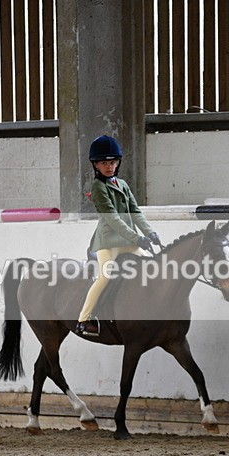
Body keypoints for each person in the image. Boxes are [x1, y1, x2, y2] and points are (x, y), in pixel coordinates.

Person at [76, 135, 162, 337]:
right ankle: (84, 319)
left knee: (151, 268)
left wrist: (150, 232)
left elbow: (135, 212)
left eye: (113, 162)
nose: (109, 166)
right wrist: (137, 238)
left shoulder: (122, 184)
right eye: (104, 163)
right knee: (105, 276)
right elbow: (113, 218)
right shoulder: (98, 187)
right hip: (109, 242)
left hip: (129, 241)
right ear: (96, 165)